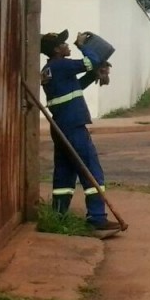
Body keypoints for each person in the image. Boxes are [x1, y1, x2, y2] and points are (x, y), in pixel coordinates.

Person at [40, 29, 120, 231]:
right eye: (64, 43)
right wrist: (82, 45)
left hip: (60, 127)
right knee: (91, 170)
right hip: (74, 125)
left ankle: (58, 216)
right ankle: (97, 218)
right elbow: (89, 61)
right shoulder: (61, 65)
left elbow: (75, 86)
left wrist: (94, 75)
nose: (67, 46)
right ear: (57, 50)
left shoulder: (51, 69)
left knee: (64, 174)